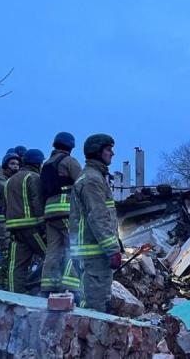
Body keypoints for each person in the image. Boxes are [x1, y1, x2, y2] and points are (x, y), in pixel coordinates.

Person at [69, 134, 120, 312]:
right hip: (93, 254)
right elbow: (98, 216)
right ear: (97, 152)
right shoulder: (92, 180)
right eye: (108, 149)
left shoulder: (96, 177)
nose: (112, 154)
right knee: (94, 306)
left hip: (95, 253)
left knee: (99, 301)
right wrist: (112, 249)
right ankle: (86, 339)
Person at [40, 132, 82, 295]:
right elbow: (82, 183)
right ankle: (71, 286)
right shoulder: (69, 161)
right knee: (75, 246)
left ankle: (48, 285)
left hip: (49, 212)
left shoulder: (46, 164)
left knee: (53, 250)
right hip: (66, 210)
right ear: (71, 146)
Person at [5, 149, 46, 293]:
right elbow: (37, 203)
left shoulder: (10, 180)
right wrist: (44, 228)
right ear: (37, 163)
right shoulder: (33, 177)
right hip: (31, 227)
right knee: (49, 256)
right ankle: (46, 292)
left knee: (17, 265)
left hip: (14, 229)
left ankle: (14, 296)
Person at [0, 152, 20, 288]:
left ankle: (5, 282)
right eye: (13, 163)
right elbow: (11, 190)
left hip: (11, 218)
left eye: (18, 164)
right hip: (2, 219)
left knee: (13, 252)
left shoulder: (13, 178)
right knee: (6, 252)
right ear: (6, 164)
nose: (16, 167)